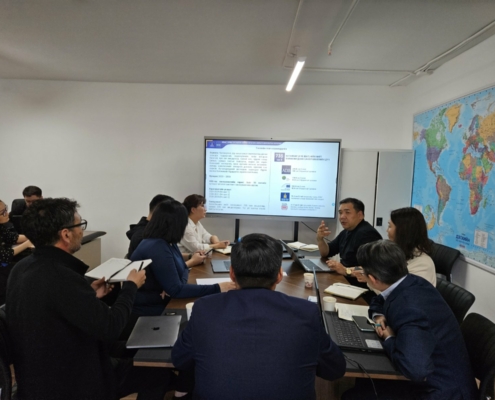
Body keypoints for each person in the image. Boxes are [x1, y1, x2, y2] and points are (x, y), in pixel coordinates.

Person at [6, 198, 172, 400]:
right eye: (80, 225)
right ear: (66, 234)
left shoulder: (21, 268)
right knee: (158, 369)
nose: (81, 231)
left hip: (38, 374)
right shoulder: (62, 276)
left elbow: (54, 308)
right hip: (73, 380)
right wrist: (130, 286)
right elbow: (111, 327)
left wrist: (90, 295)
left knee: (146, 349)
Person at [172, 233, 346, 400]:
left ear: (232, 273)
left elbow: (180, 360)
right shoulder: (306, 312)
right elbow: (334, 370)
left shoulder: (204, 308)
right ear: (279, 275)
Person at [342, 240, 478, 400]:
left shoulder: (410, 309)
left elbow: (415, 369)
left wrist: (389, 338)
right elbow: (380, 300)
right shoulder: (408, 281)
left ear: (372, 279)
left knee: (353, 395)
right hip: (434, 373)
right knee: (363, 383)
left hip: (440, 391)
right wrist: (379, 315)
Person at [130, 199, 235, 316]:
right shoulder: (157, 247)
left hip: (163, 300)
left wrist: (173, 286)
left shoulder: (168, 242)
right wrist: (218, 287)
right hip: (150, 310)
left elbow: (183, 271)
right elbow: (177, 289)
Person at [126, 194, 205, 267]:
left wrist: (190, 256)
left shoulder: (157, 231)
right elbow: (163, 266)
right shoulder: (144, 237)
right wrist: (192, 261)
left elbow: (170, 255)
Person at [316, 198, 381, 286]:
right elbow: (326, 252)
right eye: (340, 213)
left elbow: (371, 268)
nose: (342, 216)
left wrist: (346, 270)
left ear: (360, 215)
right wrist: (320, 239)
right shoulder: (347, 231)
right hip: (344, 279)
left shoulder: (367, 234)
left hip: (358, 285)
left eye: (347, 212)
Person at [0, 199, 34, 305]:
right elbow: (4, 255)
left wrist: (35, 235)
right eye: (2, 212)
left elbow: (13, 237)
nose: (7, 214)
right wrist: (27, 244)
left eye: (6, 209)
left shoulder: (1, 226)